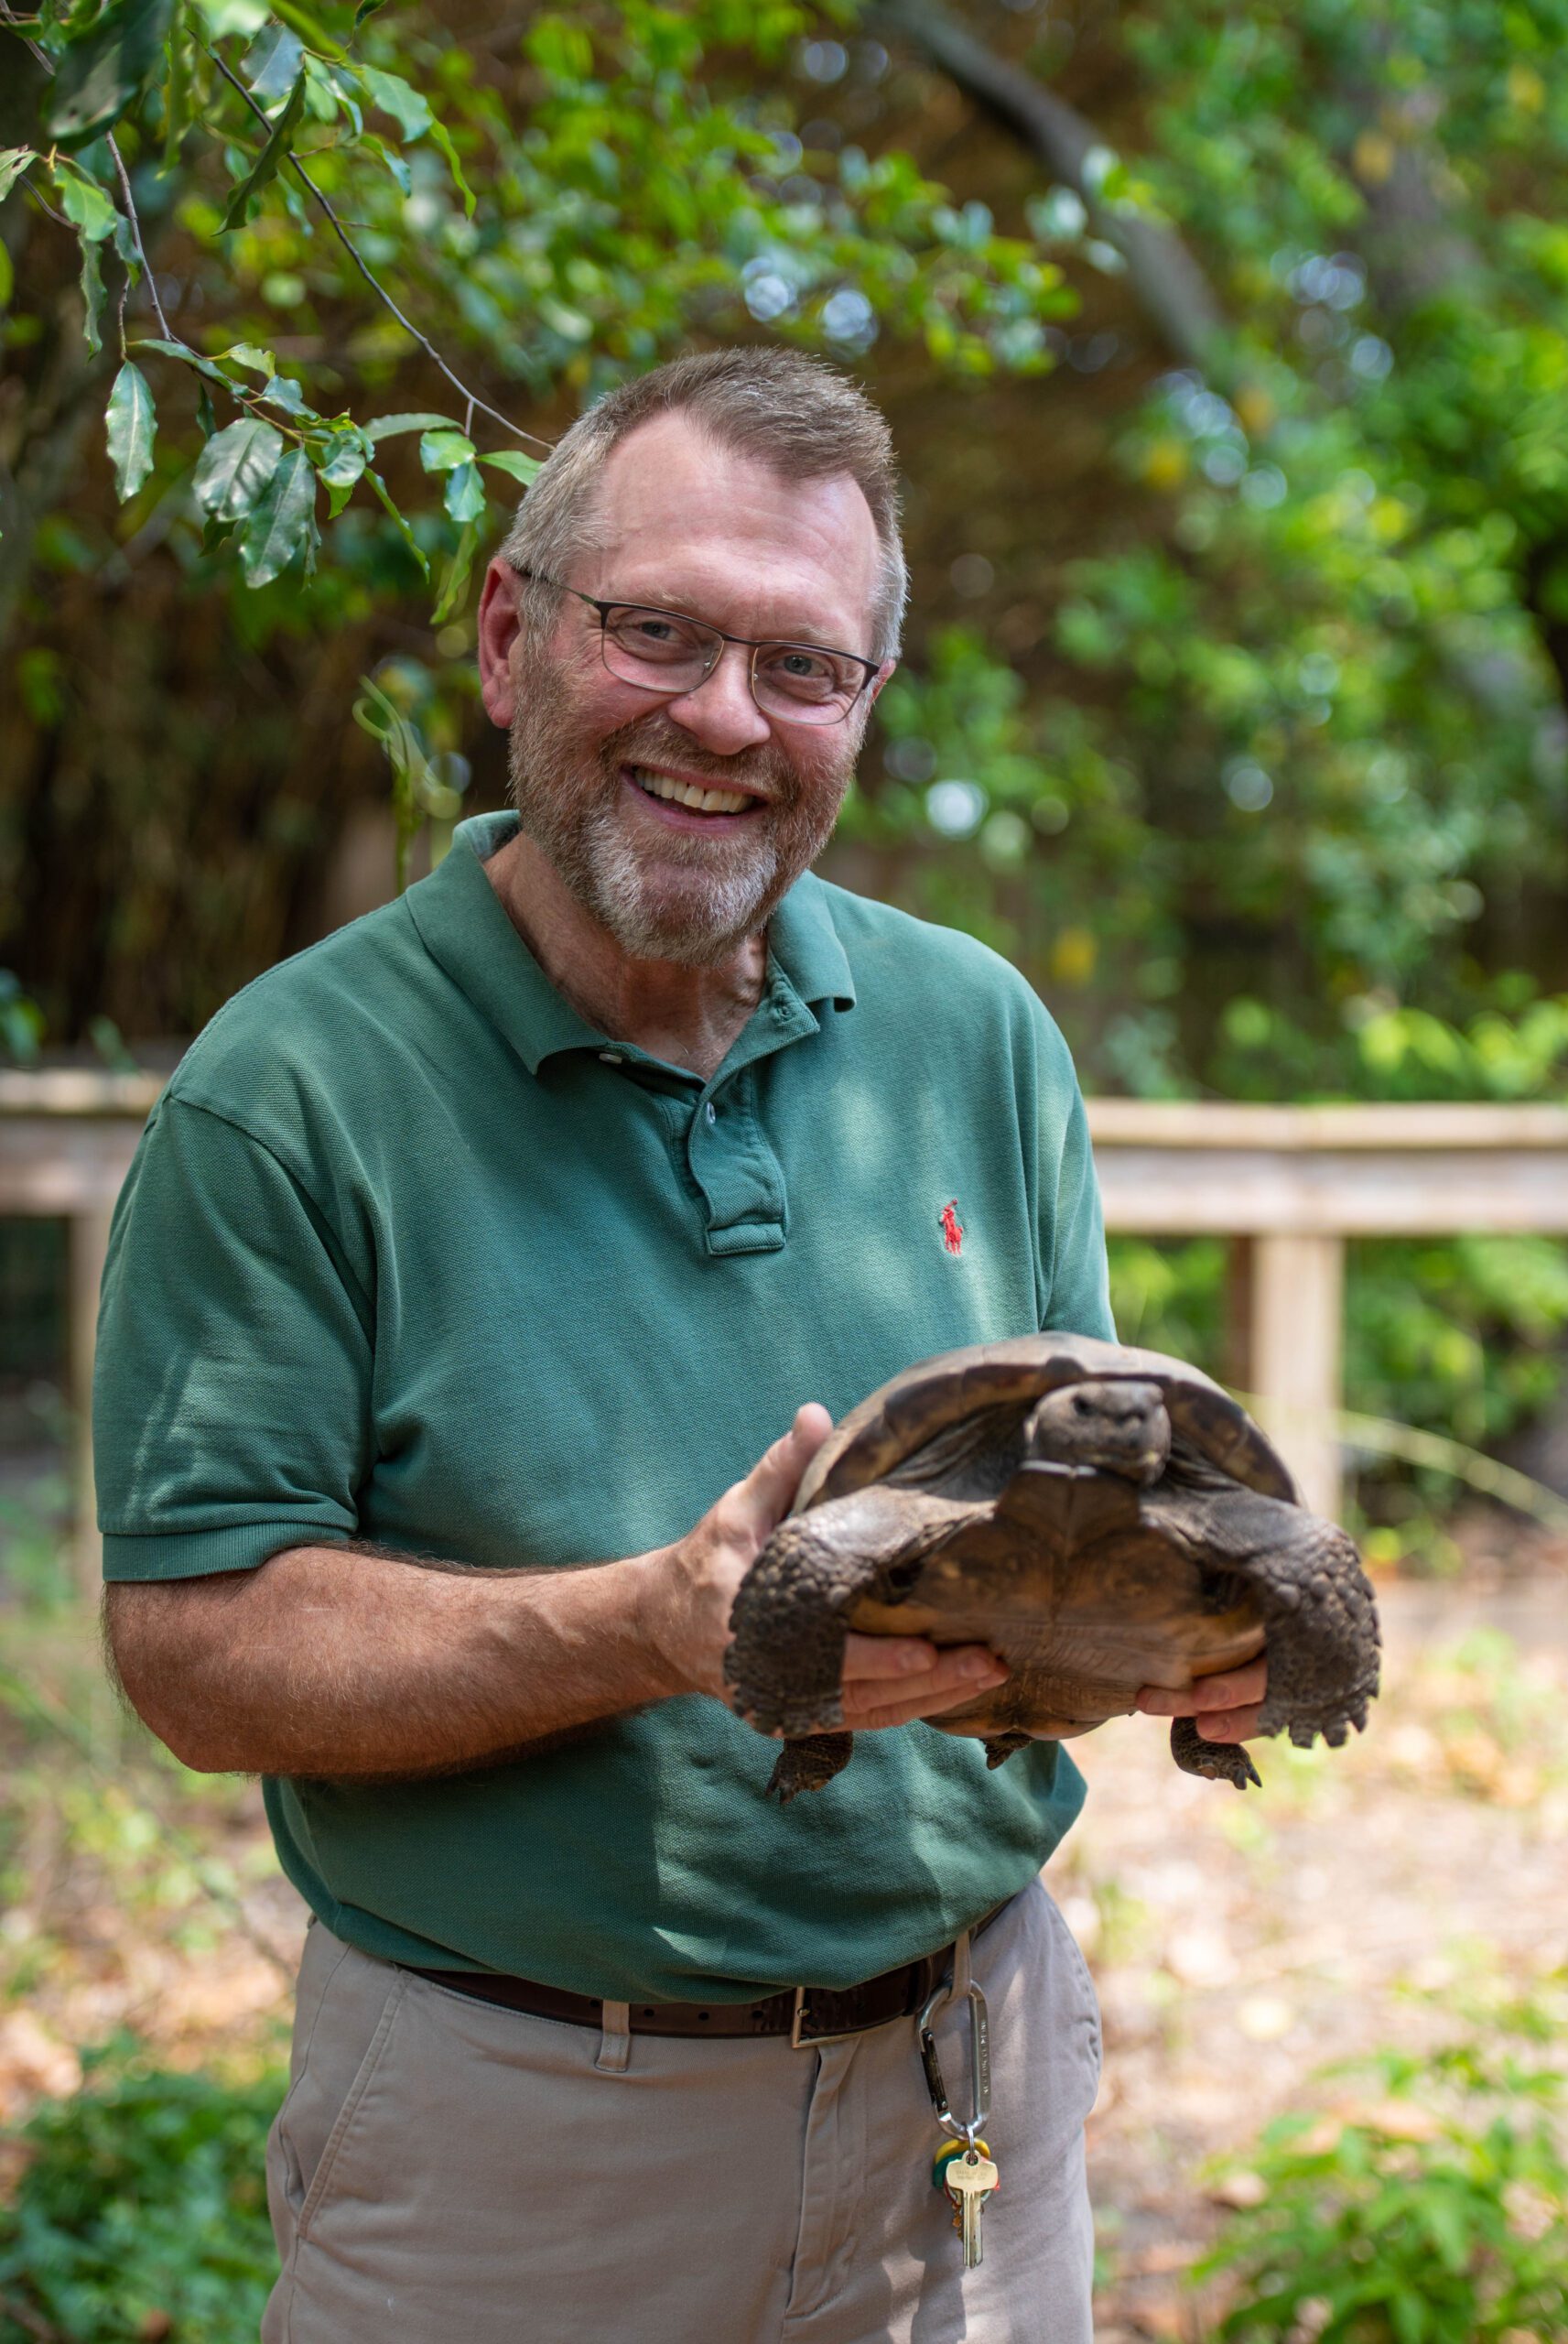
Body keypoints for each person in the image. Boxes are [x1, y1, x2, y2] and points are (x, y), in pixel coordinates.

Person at [95, 349, 1266, 2344]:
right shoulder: (288, 1092)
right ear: (508, 632)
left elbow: (1092, 1493)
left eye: (802, 668)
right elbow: (194, 1652)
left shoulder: (975, 1032)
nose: (724, 717)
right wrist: (646, 1625)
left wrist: (1181, 1639)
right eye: (655, 631)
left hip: (969, 2083)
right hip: (521, 2134)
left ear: (864, 709)